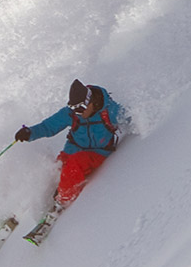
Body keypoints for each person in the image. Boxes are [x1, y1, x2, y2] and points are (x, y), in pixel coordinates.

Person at [13, 79, 124, 244]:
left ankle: (60, 203)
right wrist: (29, 133)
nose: (76, 112)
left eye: (80, 108)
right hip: (72, 150)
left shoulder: (109, 111)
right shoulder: (71, 113)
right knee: (54, 170)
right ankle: (24, 210)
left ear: (91, 103)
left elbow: (131, 118)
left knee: (74, 167)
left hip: (97, 152)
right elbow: (48, 127)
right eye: (73, 108)